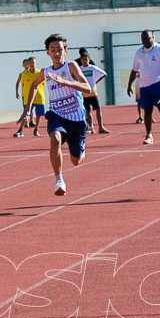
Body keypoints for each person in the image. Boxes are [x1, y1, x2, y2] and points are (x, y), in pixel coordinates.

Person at [18, 32, 93, 196]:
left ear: (65, 51)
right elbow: (34, 86)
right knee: (55, 138)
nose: (56, 53)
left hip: (76, 117)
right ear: (48, 52)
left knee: (76, 161)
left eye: (59, 49)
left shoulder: (71, 66)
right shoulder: (45, 72)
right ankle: (59, 180)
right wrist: (27, 110)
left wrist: (65, 82)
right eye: (53, 50)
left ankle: (81, 148)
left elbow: (88, 88)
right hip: (57, 114)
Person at [126, 29, 160, 144]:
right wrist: (129, 85)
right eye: (143, 38)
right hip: (144, 86)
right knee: (147, 111)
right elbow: (134, 70)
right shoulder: (138, 53)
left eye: (148, 38)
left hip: (158, 83)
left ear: (153, 37)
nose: (146, 40)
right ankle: (149, 135)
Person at [77, 48, 110, 134]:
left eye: (86, 59)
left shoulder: (92, 68)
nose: (85, 61)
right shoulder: (79, 69)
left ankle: (101, 127)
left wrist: (96, 81)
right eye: (83, 59)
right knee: (87, 111)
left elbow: (104, 74)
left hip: (93, 93)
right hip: (84, 93)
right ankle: (90, 127)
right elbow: (74, 76)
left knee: (97, 109)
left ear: (89, 59)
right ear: (81, 60)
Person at [13, 57, 43, 137]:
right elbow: (20, 83)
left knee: (39, 114)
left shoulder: (40, 73)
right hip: (28, 98)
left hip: (39, 97)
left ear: (36, 63)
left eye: (33, 63)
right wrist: (18, 93)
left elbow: (43, 83)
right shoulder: (24, 74)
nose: (32, 64)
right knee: (26, 113)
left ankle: (36, 129)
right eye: (30, 63)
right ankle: (20, 130)